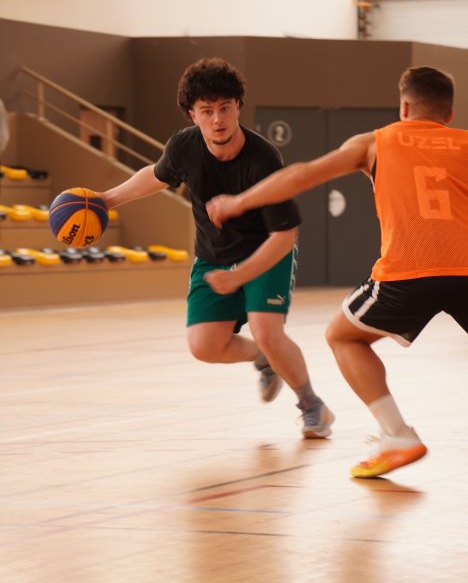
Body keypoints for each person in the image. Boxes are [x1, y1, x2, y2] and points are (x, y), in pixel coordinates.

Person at [206, 65, 468, 478]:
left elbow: (302, 175)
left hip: (408, 270)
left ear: (403, 107)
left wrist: (239, 202)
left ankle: (398, 435)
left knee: (344, 336)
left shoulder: (374, 142)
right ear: (449, 114)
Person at [97, 57, 334, 439]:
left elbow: (285, 236)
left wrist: (240, 276)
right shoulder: (184, 146)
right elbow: (156, 176)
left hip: (265, 252)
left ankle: (312, 405)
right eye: (207, 111)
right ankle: (263, 359)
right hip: (213, 255)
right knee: (204, 346)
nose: (218, 119)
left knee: (267, 330)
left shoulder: (263, 158)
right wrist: (107, 199)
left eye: (225, 108)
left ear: (238, 106)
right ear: (193, 115)